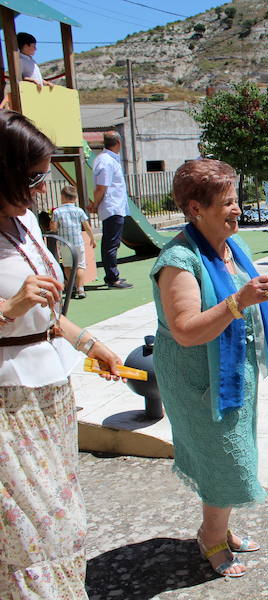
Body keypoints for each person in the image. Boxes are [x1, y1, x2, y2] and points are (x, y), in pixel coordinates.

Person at [0, 109, 123, 600]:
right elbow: (20, 307)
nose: (40, 188)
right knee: (32, 532)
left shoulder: (26, 220)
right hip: (8, 405)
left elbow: (48, 311)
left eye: (44, 176)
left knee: (64, 519)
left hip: (49, 394)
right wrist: (10, 306)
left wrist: (91, 344)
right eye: (32, 177)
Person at [151, 158, 268, 578]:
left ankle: (220, 528)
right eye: (227, 202)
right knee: (223, 458)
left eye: (235, 200)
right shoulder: (178, 260)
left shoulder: (232, 247)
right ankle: (211, 537)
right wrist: (239, 302)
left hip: (232, 370)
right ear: (196, 208)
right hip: (199, 379)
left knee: (234, 450)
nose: (237, 209)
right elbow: (187, 331)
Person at [88, 131, 132, 289]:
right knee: (111, 244)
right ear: (118, 143)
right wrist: (95, 204)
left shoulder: (107, 159)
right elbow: (101, 187)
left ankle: (112, 275)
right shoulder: (106, 161)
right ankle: (112, 278)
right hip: (112, 207)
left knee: (111, 243)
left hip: (114, 207)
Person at [49, 185, 95, 299]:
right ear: (75, 198)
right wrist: (92, 238)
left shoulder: (57, 212)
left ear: (62, 197)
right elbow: (86, 226)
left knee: (68, 266)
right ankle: (80, 289)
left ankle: (72, 287)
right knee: (80, 265)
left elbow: (54, 228)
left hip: (64, 243)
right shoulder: (79, 211)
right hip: (78, 242)